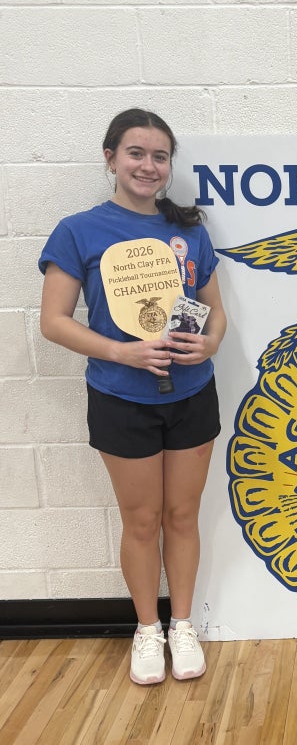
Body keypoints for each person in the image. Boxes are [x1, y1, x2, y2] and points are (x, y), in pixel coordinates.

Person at [39, 109, 226, 686]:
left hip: (192, 394)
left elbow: (215, 310)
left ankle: (183, 624)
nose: (149, 166)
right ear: (111, 158)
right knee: (142, 519)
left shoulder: (189, 228)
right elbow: (53, 321)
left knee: (183, 514)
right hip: (120, 396)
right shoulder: (79, 231)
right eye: (137, 153)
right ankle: (148, 628)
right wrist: (122, 353)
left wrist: (210, 344)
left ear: (170, 166)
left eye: (160, 156)